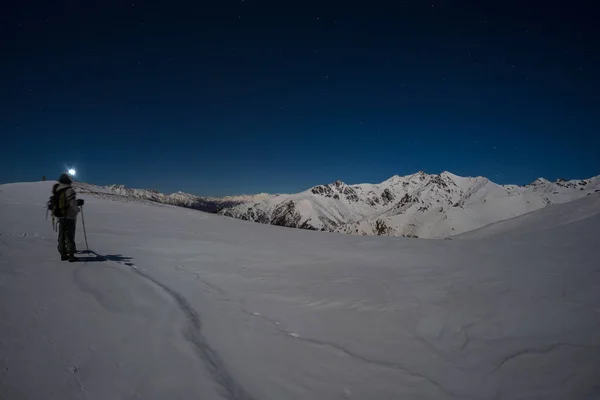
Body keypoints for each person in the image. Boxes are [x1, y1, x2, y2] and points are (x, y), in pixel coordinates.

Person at [52, 173, 84, 262]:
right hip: (69, 216)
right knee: (69, 236)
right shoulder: (69, 190)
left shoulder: (57, 189)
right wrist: (77, 210)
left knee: (61, 235)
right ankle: (71, 255)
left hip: (60, 216)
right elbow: (72, 204)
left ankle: (63, 254)